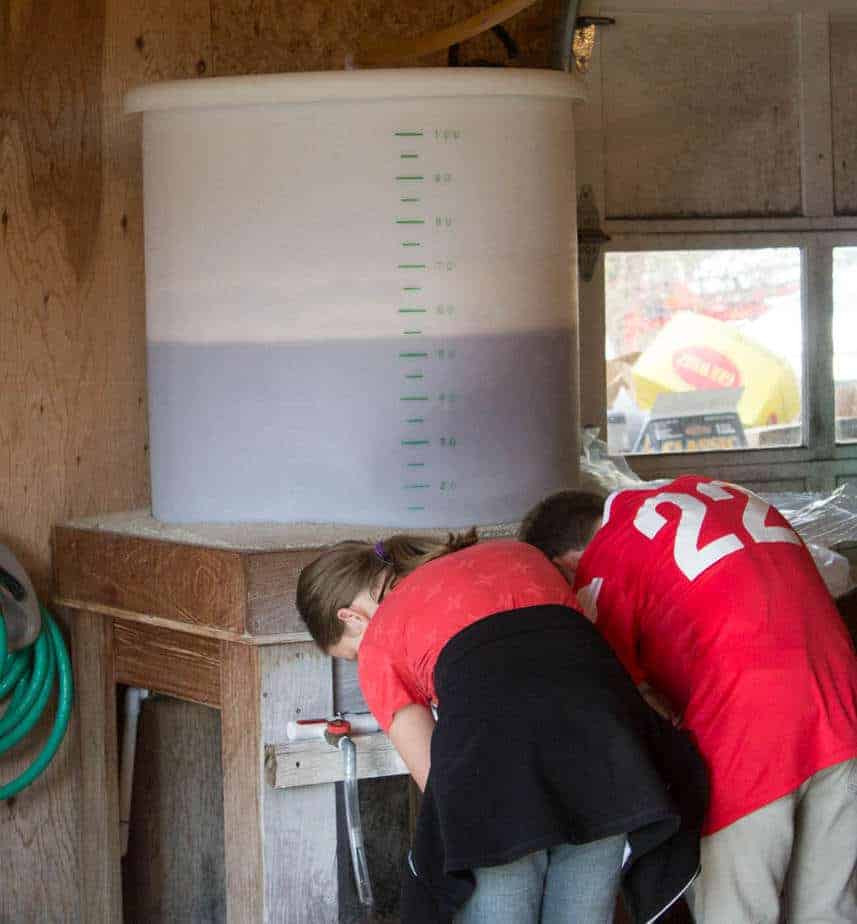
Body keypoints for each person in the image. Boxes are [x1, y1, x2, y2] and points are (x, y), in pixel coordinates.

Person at [297, 531, 707, 924]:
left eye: (350, 653)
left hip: (499, 779)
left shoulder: (379, 639)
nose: (359, 658)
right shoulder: (519, 553)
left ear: (350, 617)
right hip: (607, 754)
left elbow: (438, 783)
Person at [520, 476, 857, 924]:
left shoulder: (606, 557)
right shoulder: (720, 492)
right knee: (828, 908)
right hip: (844, 704)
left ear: (566, 563)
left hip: (750, 730)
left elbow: (611, 706)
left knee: (734, 907)